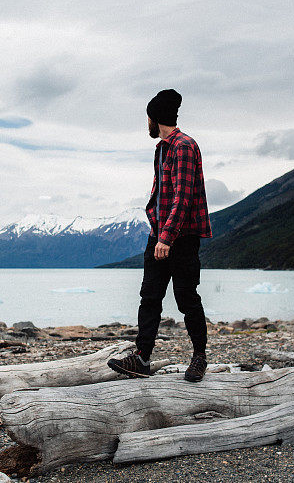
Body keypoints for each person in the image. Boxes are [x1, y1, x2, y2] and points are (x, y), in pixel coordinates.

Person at [107, 89, 212, 382]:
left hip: (182, 236)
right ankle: (141, 358)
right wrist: (158, 233)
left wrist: (167, 238)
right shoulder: (163, 148)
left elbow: (184, 197)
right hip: (159, 233)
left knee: (186, 297)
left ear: (155, 118)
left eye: (147, 118)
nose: (146, 124)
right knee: (149, 297)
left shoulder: (184, 146)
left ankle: (200, 357)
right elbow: (163, 196)